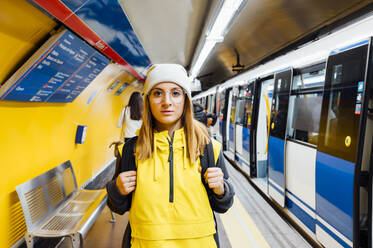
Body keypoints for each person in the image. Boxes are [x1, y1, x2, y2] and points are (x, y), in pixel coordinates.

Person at [107, 64, 234, 248]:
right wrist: (117, 189)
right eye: (157, 93)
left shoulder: (207, 148)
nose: (167, 101)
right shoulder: (130, 150)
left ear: (185, 100)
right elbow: (117, 207)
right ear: (148, 100)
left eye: (175, 93)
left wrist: (221, 189)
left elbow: (223, 205)